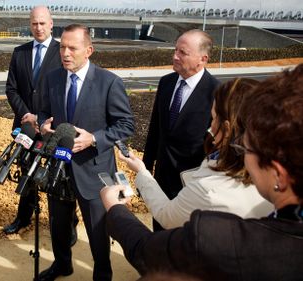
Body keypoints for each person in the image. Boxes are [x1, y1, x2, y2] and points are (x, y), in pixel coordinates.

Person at [100, 64, 303, 280]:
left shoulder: (210, 226)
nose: (210, 126)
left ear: (278, 174)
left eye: (248, 146)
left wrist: (115, 209)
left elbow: (147, 250)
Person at [38, 24, 135, 281]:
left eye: (73, 48)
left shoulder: (109, 82)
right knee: (58, 225)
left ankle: (102, 272)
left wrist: (94, 138)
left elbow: (125, 125)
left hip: (95, 170)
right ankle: (62, 264)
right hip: (60, 166)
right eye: (62, 47)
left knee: (97, 230)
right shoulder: (53, 78)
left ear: (89, 50)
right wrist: (43, 125)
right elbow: (42, 112)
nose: (65, 53)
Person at [119, 78, 273, 229]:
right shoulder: (283, 176)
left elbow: (167, 216)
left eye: (213, 118)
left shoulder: (209, 190)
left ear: (227, 128)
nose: (210, 127)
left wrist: (141, 172)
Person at [142, 29, 220, 230]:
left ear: (202, 59)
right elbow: (155, 130)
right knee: (159, 233)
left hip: (192, 184)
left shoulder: (216, 92)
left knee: (184, 243)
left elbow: (217, 144)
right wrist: (145, 171)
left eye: (182, 52)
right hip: (160, 179)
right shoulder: (166, 82)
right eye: (175, 50)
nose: (174, 56)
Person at [3, 5, 63, 235]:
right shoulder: (20, 52)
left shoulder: (62, 52)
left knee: (58, 176)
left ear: (51, 23)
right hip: (25, 126)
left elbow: (64, 93)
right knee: (26, 170)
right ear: (30, 25)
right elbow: (11, 89)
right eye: (34, 23)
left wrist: (42, 118)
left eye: (42, 23)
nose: (38, 28)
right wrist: (27, 115)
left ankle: (68, 224)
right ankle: (23, 217)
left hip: (52, 126)